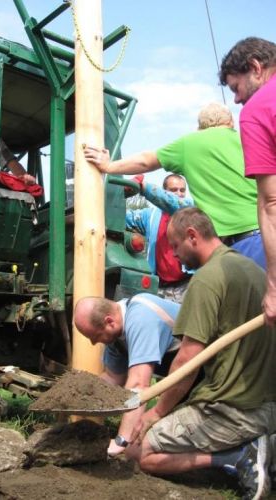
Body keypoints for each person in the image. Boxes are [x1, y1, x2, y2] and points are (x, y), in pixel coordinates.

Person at [124, 207, 276, 500]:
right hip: (268, 405)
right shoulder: (254, 272)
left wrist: (156, 413)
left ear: (192, 236)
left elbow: (187, 362)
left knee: (138, 453)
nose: (175, 256)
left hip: (233, 409)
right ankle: (263, 445)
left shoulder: (207, 278)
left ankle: (238, 457)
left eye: (176, 246)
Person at [83, 102, 265, 270]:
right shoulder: (249, 140)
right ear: (231, 121)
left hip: (236, 246)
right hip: (267, 232)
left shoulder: (190, 144)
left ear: (200, 127)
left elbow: (146, 161)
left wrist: (109, 166)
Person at [74, 293, 180, 457]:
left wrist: (121, 441)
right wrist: (78, 397)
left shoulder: (141, 318)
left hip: (212, 375)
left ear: (109, 321)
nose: (94, 343)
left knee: (137, 450)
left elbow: (139, 386)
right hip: (181, 380)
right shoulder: (117, 329)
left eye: (95, 337)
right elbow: (113, 378)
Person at [219, 37, 276, 326]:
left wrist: (274, 288)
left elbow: (271, 202)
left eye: (236, 88)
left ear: (256, 68)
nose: (237, 100)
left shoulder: (258, 110)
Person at [126, 173, 193, 303]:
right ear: (164, 191)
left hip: (187, 283)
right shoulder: (150, 216)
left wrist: (143, 186)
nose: (179, 193)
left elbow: (173, 203)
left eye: (182, 190)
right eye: (173, 190)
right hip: (159, 286)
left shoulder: (189, 210)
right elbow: (124, 217)